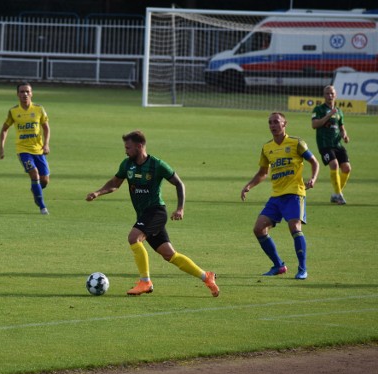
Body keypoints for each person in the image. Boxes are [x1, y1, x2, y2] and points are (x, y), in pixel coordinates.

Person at [86, 130, 220, 297]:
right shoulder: (127, 164)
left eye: (128, 147)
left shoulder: (157, 164)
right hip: (144, 215)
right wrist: (98, 193)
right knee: (169, 254)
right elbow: (115, 183)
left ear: (139, 146)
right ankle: (206, 276)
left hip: (156, 212)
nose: (125, 151)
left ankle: (145, 282)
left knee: (133, 237)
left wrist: (180, 208)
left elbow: (179, 184)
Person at [241, 112, 319, 280]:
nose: (273, 125)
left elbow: (314, 162)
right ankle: (278, 265)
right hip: (276, 197)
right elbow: (263, 172)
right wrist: (249, 185)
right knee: (258, 229)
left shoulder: (297, 143)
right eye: (270, 123)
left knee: (295, 228)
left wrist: (312, 178)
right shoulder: (267, 148)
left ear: (285, 124)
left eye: (276, 122)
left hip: (294, 194)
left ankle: (302, 269)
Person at [0, 82, 51, 215]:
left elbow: (46, 128)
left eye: (27, 91)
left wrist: (46, 144)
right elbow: (4, 129)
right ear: (17, 94)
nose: (25, 94)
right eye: (22, 92)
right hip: (23, 150)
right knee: (34, 173)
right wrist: (2, 147)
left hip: (38, 150)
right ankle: (42, 206)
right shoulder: (14, 111)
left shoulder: (39, 109)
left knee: (44, 180)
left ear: (31, 93)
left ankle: (35, 189)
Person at [311, 85, 351, 205]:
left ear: (335, 95)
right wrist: (328, 115)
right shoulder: (318, 109)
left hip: (337, 144)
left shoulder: (339, 111)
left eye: (332, 93)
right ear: (324, 95)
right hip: (325, 144)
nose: (330, 96)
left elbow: (341, 127)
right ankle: (339, 195)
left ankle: (336, 193)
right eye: (327, 93)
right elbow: (314, 125)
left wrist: (344, 135)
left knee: (347, 168)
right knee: (334, 164)